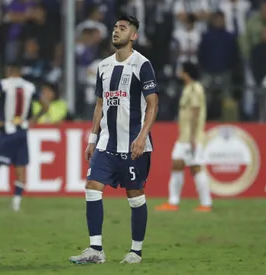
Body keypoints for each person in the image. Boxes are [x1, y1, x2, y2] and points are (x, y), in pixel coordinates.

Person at [69, 15, 158, 265]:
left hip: (132, 145)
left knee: (136, 196)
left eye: (123, 28)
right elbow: (100, 104)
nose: (116, 31)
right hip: (106, 144)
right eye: (115, 27)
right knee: (92, 188)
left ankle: (135, 252)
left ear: (133, 36)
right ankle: (95, 249)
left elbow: (153, 104)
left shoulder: (143, 64)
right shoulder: (103, 66)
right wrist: (92, 138)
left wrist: (142, 137)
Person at [0, 62, 49, 212]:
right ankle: (16, 204)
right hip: (22, 130)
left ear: (9, 70)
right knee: (20, 168)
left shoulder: (3, 84)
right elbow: (45, 105)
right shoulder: (29, 86)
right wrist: (33, 120)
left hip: (7, 130)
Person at [155, 62, 212, 212]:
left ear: (186, 73)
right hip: (184, 137)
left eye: (182, 70)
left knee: (196, 167)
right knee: (177, 164)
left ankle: (205, 204)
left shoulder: (194, 88)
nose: (179, 72)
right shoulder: (189, 88)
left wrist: (193, 137)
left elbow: (195, 112)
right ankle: (173, 202)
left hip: (191, 138)